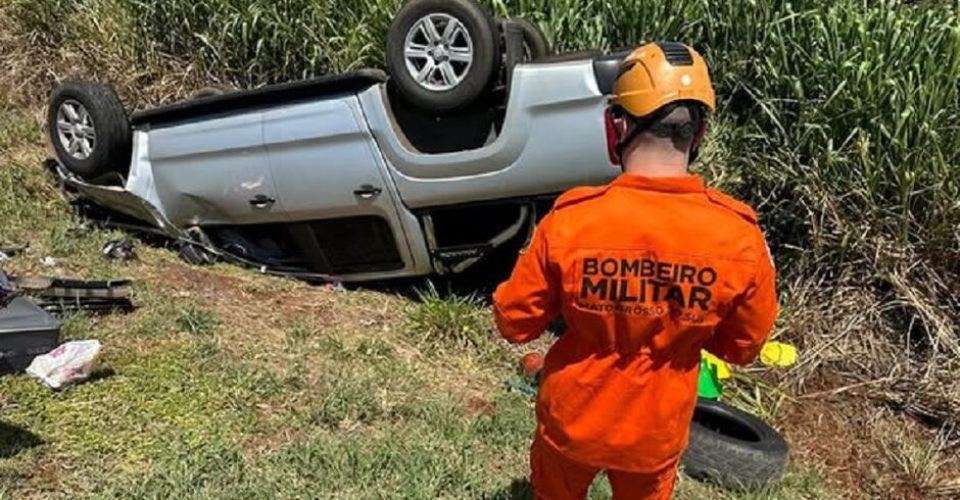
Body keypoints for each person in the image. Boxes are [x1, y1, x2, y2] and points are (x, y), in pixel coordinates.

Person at [492, 42, 779, 500]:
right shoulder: (738, 235)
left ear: (616, 126)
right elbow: (742, 346)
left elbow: (514, 321)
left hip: (572, 421)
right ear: (698, 133)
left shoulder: (572, 218)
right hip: (656, 434)